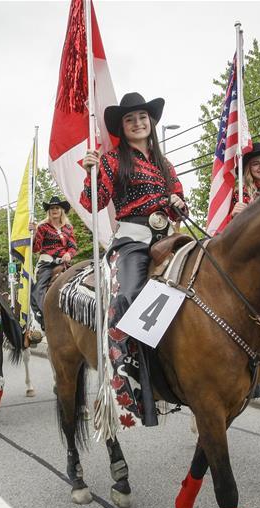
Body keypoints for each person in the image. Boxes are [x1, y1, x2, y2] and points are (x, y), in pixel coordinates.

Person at [81, 92, 185, 426]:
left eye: (142, 117)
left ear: (150, 122)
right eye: (130, 119)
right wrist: (92, 173)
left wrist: (178, 204)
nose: (138, 123)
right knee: (128, 297)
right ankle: (130, 376)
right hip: (133, 239)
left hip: (169, 235)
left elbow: (180, 200)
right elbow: (92, 202)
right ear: (122, 128)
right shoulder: (112, 160)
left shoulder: (162, 162)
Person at [29, 196, 78, 330]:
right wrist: (33, 234)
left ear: (62, 210)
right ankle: (44, 315)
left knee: (78, 281)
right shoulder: (42, 227)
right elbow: (36, 248)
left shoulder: (68, 228)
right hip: (47, 263)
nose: (54, 210)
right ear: (48, 211)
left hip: (63, 263)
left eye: (57, 208)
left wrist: (69, 254)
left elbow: (73, 246)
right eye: (51, 208)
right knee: (38, 289)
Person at [228, 141, 260, 221]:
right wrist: (233, 215)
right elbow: (230, 229)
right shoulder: (242, 194)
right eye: (256, 164)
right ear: (248, 169)